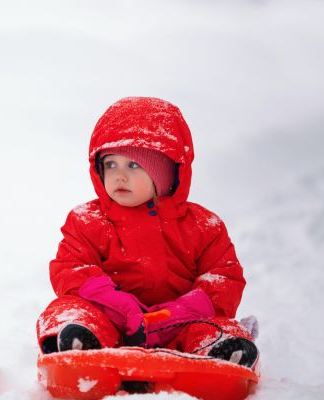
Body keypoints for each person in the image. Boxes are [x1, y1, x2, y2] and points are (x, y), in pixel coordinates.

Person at [36, 97, 259, 369]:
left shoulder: (204, 226)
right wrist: (116, 304)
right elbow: (71, 269)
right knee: (67, 310)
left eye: (133, 165)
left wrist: (180, 312)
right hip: (113, 320)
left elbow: (224, 278)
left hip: (182, 323)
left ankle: (220, 351)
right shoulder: (87, 220)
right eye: (110, 164)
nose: (119, 176)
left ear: (167, 172)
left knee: (216, 326)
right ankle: (78, 344)